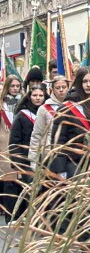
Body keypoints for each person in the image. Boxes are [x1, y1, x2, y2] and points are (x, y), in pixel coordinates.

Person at [50, 66, 90, 177]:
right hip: (73, 165)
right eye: (85, 81)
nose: (88, 85)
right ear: (79, 83)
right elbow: (58, 142)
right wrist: (61, 171)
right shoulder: (67, 108)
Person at [7, 84, 46, 219]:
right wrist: (16, 161)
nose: (38, 98)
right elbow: (14, 140)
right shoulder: (22, 115)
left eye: (41, 95)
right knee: (29, 190)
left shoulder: (47, 112)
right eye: (35, 95)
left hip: (44, 157)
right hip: (25, 159)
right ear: (29, 96)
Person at [29, 75, 69, 170]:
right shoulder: (44, 109)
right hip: (50, 155)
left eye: (64, 87)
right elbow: (37, 135)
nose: (61, 90)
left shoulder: (75, 105)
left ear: (68, 88)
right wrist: (33, 161)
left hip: (69, 154)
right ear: (52, 89)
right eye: (58, 88)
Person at [0, 75, 24, 218]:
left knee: (19, 179)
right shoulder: (1, 104)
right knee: (8, 178)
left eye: (17, 86)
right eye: (12, 86)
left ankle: (19, 212)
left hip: (18, 143)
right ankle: (9, 212)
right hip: (4, 142)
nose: (15, 89)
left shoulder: (23, 102)